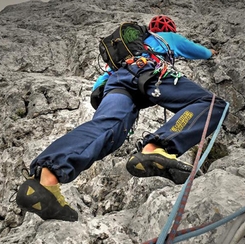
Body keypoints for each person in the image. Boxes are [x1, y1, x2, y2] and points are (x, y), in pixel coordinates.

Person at [16, 15, 228, 222]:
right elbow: (199, 51)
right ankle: (156, 149)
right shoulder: (167, 37)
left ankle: (46, 178)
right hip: (147, 70)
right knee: (212, 105)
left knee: (108, 127)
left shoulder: (121, 55)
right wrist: (212, 52)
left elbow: (100, 84)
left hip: (116, 85)